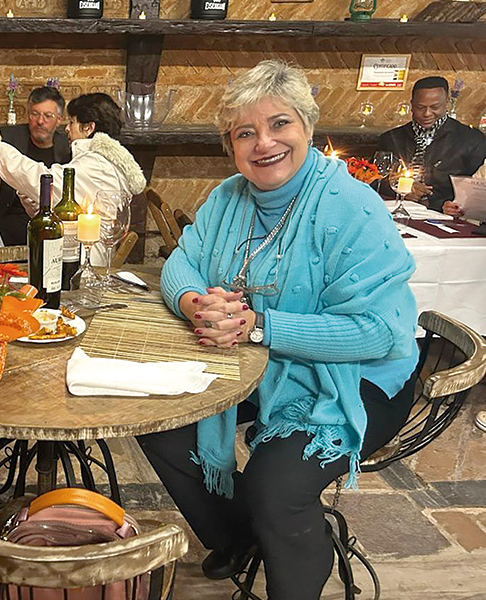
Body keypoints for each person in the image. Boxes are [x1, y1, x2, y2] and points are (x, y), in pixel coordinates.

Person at [136, 60, 419, 600]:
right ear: (231, 145)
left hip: (356, 376)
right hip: (260, 362)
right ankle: (241, 537)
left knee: (276, 488)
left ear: (308, 126)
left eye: (280, 123)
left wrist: (258, 326)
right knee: (159, 425)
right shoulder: (229, 197)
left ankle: (291, 562)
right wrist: (196, 305)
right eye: (245, 132)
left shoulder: (350, 205)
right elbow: (182, 262)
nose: (264, 143)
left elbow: (377, 331)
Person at [0, 92, 146, 223]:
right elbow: (53, 200)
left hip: (86, 252)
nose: (67, 128)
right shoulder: (97, 160)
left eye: (72, 122)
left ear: (89, 128)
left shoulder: (96, 164)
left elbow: (43, 180)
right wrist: (25, 189)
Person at [0, 85, 71, 245]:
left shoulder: (67, 147)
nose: (40, 121)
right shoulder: (9, 137)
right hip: (11, 218)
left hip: (52, 222)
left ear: (59, 120)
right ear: (28, 115)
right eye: (35, 114)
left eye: (48, 116)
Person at [375, 76, 486, 216]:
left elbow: (477, 191)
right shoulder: (392, 138)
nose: (427, 114)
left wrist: (450, 205)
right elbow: (373, 180)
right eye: (421, 107)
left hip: (445, 217)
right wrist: (399, 188)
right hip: (394, 211)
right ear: (412, 105)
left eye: (435, 107)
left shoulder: (471, 140)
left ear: (447, 103)